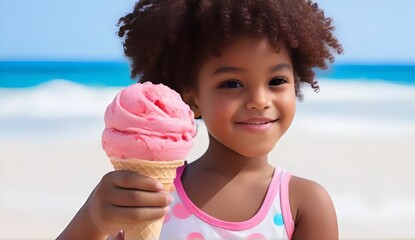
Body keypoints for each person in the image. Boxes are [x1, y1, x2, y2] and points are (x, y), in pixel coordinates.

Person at [57, 0, 343, 239]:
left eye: (277, 80)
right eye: (232, 84)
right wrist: (93, 219)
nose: (259, 100)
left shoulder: (303, 204)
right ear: (192, 99)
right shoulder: (152, 195)